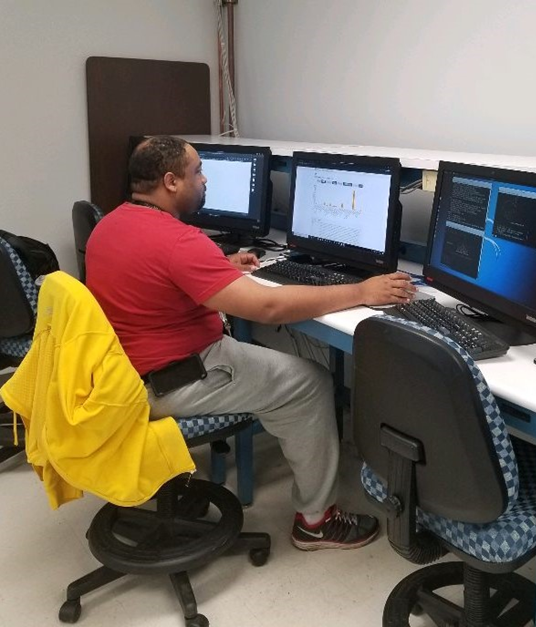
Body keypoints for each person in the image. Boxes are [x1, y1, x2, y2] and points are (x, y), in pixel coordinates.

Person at [86, 135, 417, 551]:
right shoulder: (177, 241)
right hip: (171, 380)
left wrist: (218, 267)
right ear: (170, 182)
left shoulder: (111, 223)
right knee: (310, 382)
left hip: (122, 375)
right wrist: (362, 292)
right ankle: (317, 521)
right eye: (197, 173)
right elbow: (270, 308)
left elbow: (152, 276)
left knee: (285, 360)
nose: (204, 181)